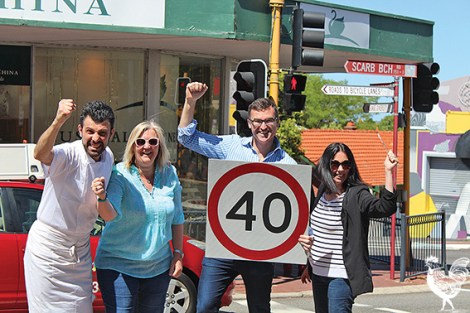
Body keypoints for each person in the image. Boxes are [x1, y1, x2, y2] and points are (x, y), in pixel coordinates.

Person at [178, 82, 297, 313]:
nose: (263, 126)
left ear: (277, 123)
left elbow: (296, 212)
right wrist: (190, 101)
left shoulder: (288, 165)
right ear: (249, 123)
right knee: (204, 307)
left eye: (269, 121)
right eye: (258, 121)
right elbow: (186, 137)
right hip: (223, 247)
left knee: (260, 310)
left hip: (260, 252)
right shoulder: (231, 147)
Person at [24, 99, 115, 312]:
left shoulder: (109, 157)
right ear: (80, 130)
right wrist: (58, 121)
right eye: (90, 131)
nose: (95, 138)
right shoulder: (68, 153)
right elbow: (40, 154)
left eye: (102, 133)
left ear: (111, 134)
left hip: (80, 252)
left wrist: (102, 197)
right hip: (48, 251)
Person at [91, 120, 184, 312]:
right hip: (118, 266)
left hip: (158, 268)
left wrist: (178, 254)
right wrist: (101, 197)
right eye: (140, 142)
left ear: (160, 146)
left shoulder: (170, 173)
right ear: (133, 146)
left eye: (152, 142)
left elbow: (177, 217)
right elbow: (109, 215)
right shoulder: (120, 174)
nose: (146, 147)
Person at [298, 142, 399, 313]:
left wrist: (388, 171)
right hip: (318, 273)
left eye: (346, 164)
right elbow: (320, 233)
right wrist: (309, 264)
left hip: (341, 276)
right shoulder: (322, 191)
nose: (340, 169)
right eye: (335, 164)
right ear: (326, 165)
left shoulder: (357, 194)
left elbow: (385, 208)